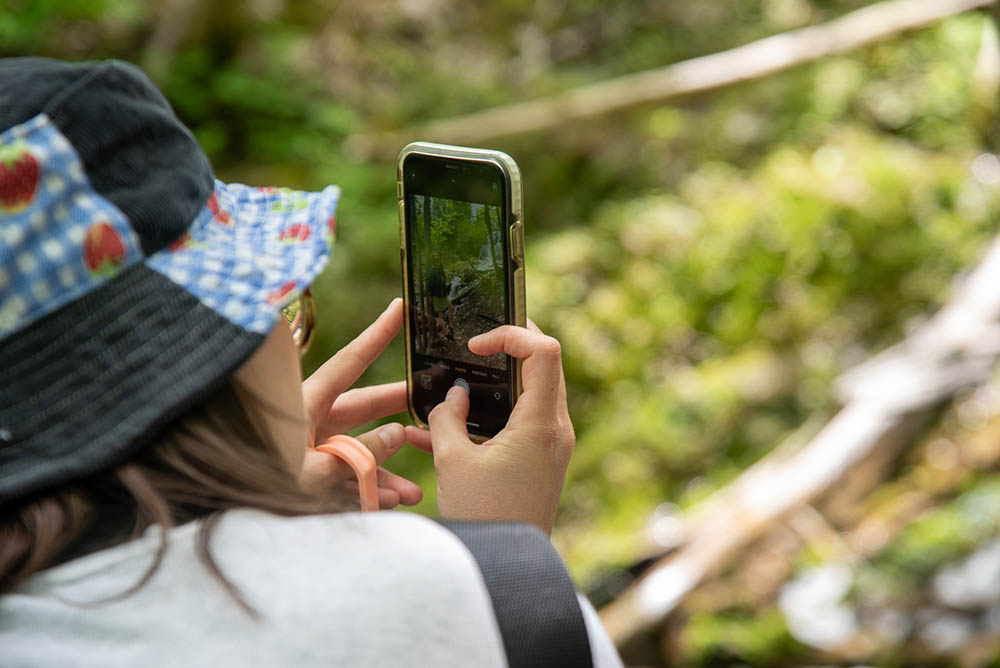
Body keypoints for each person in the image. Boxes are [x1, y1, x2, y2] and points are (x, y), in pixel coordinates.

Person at [0, 58, 623, 667]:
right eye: (279, 308)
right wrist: (507, 568)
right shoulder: (460, 599)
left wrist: (231, 500)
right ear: (226, 352)